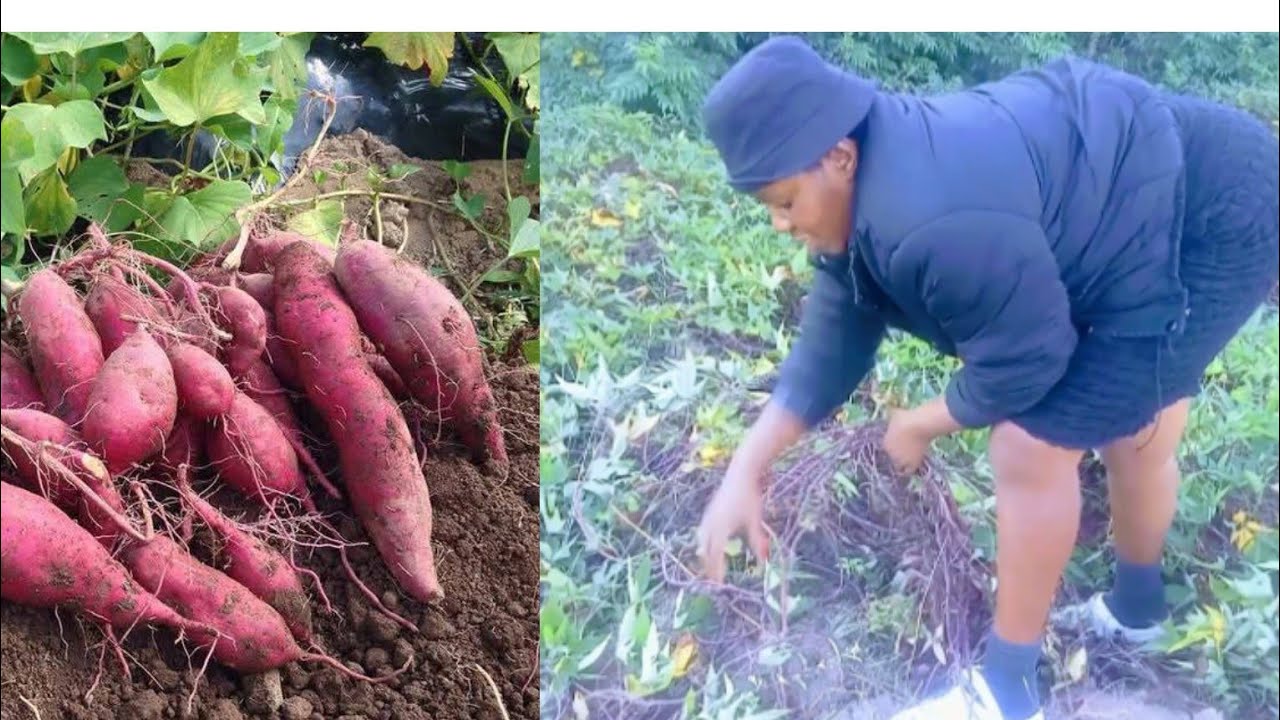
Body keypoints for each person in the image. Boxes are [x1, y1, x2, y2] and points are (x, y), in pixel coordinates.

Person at [694, 35, 1279, 720]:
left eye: (786, 202)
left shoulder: (929, 218)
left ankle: (1006, 693)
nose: (778, 223)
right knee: (1129, 420)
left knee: (1029, 445)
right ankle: (1140, 610)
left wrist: (919, 425)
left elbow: (1030, 360)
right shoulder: (871, 171)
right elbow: (834, 333)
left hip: (1214, 217)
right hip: (1147, 188)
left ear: (839, 157)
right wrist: (747, 468)